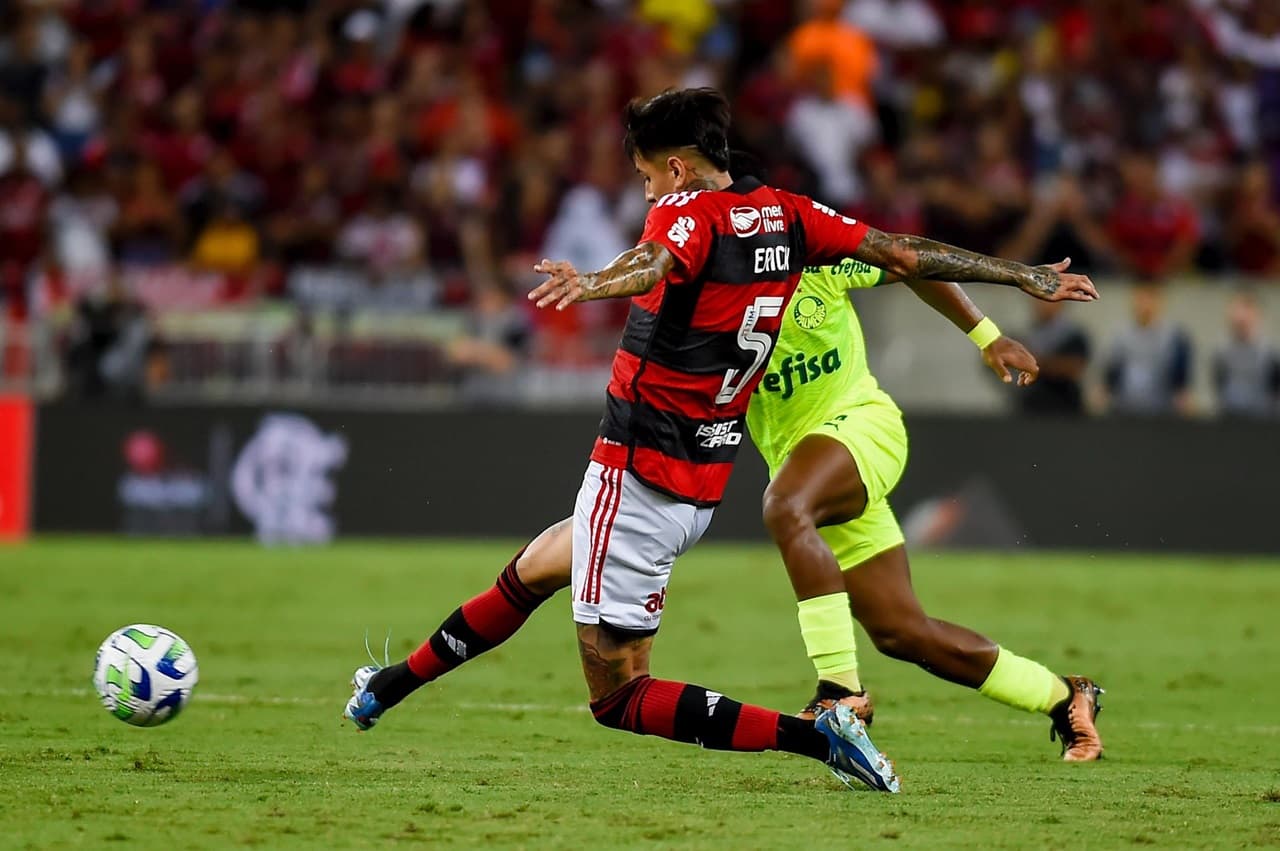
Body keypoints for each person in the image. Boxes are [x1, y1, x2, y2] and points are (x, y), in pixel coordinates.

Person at [344, 89, 1101, 786]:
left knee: (636, 670)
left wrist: (594, 281)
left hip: (754, 448)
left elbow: (654, 259)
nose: (645, 190)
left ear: (677, 169)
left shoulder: (696, 219)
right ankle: (1063, 695)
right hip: (716, 473)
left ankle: (834, 707)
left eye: (645, 176)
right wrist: (1017, 273)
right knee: (901, 629)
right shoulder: (795, 221)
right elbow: (903, 250)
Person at [1104, 281, 1194, 416]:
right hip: (1125, 408)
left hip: (1162, 409)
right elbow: (1111, 372)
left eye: (1149, 300)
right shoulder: (1120, 336)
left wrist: (1183, 399)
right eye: (1140, 300)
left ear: (1159, 303)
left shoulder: (1174, 337)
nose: (1144, 305)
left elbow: (1181, 378)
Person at [1016, 299, 1092, 416]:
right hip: (1032, 407)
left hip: (1065, 408)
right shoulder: (1029, 334)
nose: (1041, 304)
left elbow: (1073, 368)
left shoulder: (1073, 335)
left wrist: (1036, 362)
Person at [1213, 289, 1280, 418]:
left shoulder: (1271, 355)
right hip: (1230, 421)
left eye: (1245, 313)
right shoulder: (1221, 353)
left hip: (1263, 423)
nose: (1239, 318)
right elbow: (1220, 386)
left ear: (1256, 315)